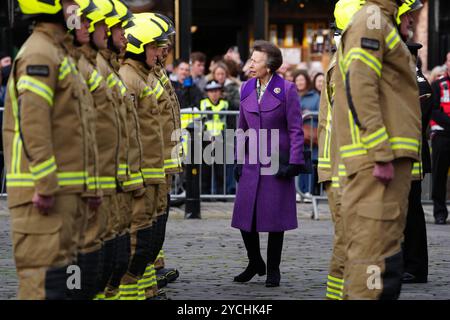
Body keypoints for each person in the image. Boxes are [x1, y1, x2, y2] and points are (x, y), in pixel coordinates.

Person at [3, 0, 101, 299]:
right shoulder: (40, 53)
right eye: (73, 5)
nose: (79, 14)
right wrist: (45, 184)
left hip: (64, 194)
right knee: (45, 288)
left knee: (63, 285)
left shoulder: (58, 52)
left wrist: (89, 185)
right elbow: (35, 125)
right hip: (43, 196)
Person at [334, 0, 421, 299]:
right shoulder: (372, 21)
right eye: (409, 11)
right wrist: (380, 152)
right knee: (373, 255)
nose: (412, 18)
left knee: (378, 249)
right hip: (379, 164)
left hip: (386, 162)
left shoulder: (377, 21)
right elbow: (361, 83)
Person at [232, 40, 305, 288]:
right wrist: (237, 159)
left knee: (275, 220)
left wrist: (295, 162)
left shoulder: (286, 90)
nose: (251, 64)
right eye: (251, 59)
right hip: (252, 161)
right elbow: (241, 127)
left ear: (270, 66)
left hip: (278, 162)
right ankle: (255, 262)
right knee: (245, 216)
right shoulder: (246, 88)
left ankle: (273, 269)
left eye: (255, 60)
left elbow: (296, 129)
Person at [318, 0, 366, 300]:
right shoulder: (345, 65)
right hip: (342, 171)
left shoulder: (349, 61)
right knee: (348, 240)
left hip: (345, 169)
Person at [119, 16, 168, 300]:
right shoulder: (129, 77)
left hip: (154, 169)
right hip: (140, 173)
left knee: (149, 239)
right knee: (137, 242)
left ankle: (144, 290)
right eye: (154, 46)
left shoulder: (143, 75)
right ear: (139, 46)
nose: (159, 52)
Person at [94, 0, 135, 300]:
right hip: (93, 184)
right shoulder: (93, 67)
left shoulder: (109, 67)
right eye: (115, 28)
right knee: (92, 268)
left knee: (114, 260)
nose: (122, 35)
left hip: (115, 179)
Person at [430, 51, 450, 225]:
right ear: (446, 63)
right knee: (439, 176)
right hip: (442, 136)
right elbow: (434, 110)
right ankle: (440, 212)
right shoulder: (437, 85)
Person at [199, 80, 229, 194]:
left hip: (221, 140)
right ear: (207, 93)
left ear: (220, 92)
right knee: (206, 171)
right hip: (206, 140)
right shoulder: (202, 103)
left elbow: (230, 122)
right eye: (211, 91)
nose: (214, 93)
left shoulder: (226, 104)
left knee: (220, 171)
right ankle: (205, 195)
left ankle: (221, 196)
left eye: (216, 90)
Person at [294, 70, 320, 197]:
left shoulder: (315, 96)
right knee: (296, 161)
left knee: (308, 162)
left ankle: (308, 191)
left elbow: (321, 113)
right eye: (297, 80)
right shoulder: (292, 95)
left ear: (307, 81)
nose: (300, 82)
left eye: (302, 80)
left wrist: (310, 113)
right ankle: (298, 191)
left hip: (310, 135)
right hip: (295, 135)